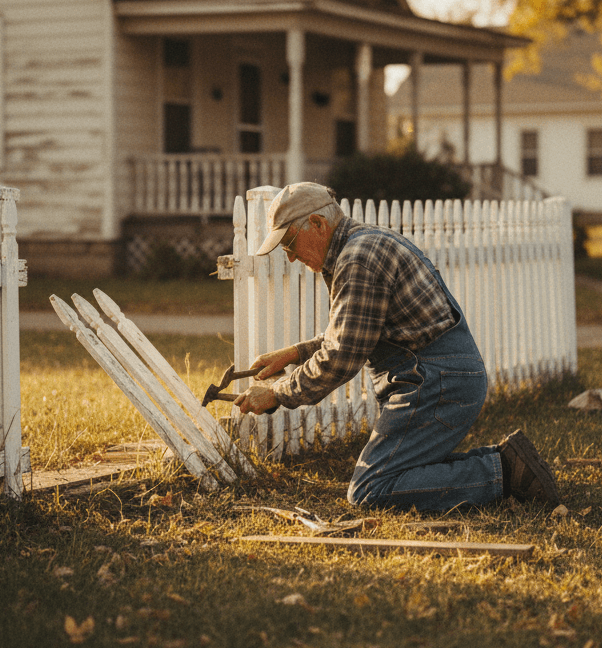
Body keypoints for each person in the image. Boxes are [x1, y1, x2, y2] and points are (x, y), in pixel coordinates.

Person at [233, 182, 562, 513]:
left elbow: (343, 354)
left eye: (289, 243)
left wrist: (277, 393)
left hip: (436, 383)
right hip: (442, 376)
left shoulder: (358, 258)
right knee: (393, 477)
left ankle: (503, 475)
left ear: (317, 224)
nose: (289, 257)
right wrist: (293, 354)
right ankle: (507, 463)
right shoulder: (364, 243)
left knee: (370, 490)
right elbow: (359, 330)